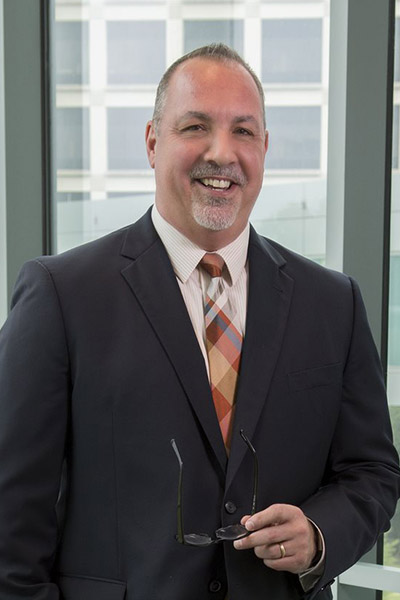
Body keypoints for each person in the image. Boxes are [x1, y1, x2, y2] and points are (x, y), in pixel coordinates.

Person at [0, 43, 399, 600]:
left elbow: (373, 473)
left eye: (243, 131)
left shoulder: (334, 303)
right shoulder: (61, 295)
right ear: (152, 142)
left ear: (265, 148)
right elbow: (12, 522)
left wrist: (318, 533)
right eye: (195, 126)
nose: (222, 153)